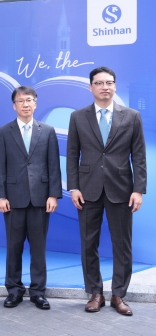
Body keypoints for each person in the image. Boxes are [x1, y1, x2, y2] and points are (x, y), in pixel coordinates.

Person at [67, 66, 146, 316]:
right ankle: (95, 293)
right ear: (91, 87)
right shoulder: (78, 117)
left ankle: (119, 295)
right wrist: (74, 187)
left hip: (121, 189)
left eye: (109, 82)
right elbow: (72, 155)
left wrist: (138, 190)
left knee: (122, 245)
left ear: (115, 86)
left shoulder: (132, 116)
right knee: (89, 243)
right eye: (99, 83)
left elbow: (139, 156)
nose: (105, 87)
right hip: (87, 190)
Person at [0, 86, 62, 310]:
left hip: (41, 199)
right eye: (20, 101)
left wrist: (53, 194)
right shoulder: (3, 132)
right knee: (13, 247)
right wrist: (0, 196)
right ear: (14, 105)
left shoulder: (48, 131)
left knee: (38, 248)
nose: (25, 104)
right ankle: (13, 291)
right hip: (12, 199)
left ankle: (38, 292)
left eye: (29, 100)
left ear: (35, 104)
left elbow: (54, 165)